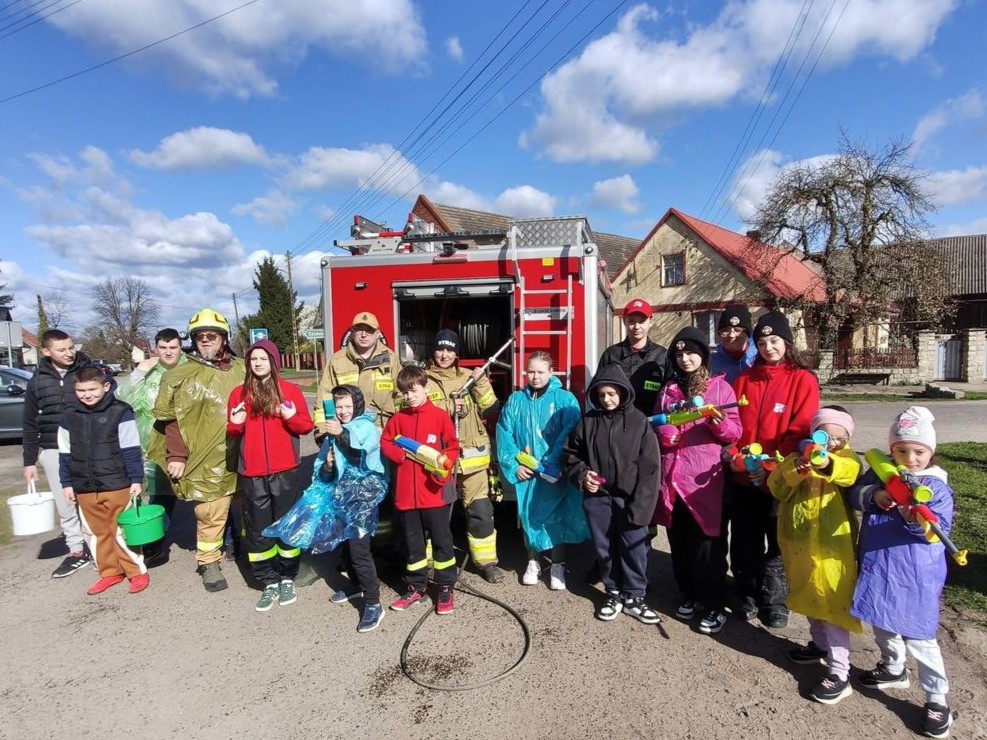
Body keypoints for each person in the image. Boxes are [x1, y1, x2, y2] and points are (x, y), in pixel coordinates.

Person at [848, 406, 955, 738]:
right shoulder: (882, 473)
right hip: (880, 566)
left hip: (915, 574)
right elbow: (855, 493)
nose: (910, 458)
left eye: (918, 451)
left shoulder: (935, 487)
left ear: (931, 453)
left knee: (919, 636)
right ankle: (893, 666)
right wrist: (875, 495)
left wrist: (914, 520)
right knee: (881, 621)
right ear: (892, 449)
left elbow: (938, 528)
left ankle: (937, 700)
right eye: (901, 450)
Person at [264, 385, 389, 632]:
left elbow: (362, 458)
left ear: (357, 406)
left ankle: (374, 603)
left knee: (359, 550)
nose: (343, 411)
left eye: (347, 406)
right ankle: (356, 585)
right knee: (343, 546)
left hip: (363, 499)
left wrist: (341, 435)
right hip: (340, 497)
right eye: (339, 406)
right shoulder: (333, 431)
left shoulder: (365, 427)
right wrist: (329, 466)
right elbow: (322, 472)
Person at [767, 406, 862, 705]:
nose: (830, 442)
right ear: (812, 434)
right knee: (808, 595)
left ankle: (839, 672)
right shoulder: (798, 459)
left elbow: (847, 474)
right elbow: (776, 487)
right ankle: (819, 646)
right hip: (800, 545)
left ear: (847, 439)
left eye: (839, 437)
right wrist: (799, 469)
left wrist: (825, 461)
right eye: (824, 435)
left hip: (833, 549)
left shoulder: (847, 459)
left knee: (832, 604)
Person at [731, 310, 819, 629]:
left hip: (780, 480)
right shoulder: (744, 380)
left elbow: (799, 430)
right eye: (762, 342)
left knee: (777, 542)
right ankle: (747, 593)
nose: (768, 348)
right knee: (744, 540)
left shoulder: (803, 380)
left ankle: (775, 599)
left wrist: (769, 468)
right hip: (743, 478)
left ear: (787, 342)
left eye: (774, 341)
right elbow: (733, 428)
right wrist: (738, 458)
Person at [653, 327, 742, 635]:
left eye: (690, 352)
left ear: (703, 354)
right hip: (674, 479)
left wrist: (718, 425)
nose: (684, 358)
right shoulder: (668, 390)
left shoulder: (720, 388)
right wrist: (668, 432)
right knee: (679, 543)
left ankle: (714, 604)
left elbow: (734, 432)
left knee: (708, 546)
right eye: (678, 354)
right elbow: (658, 427)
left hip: (704, 482)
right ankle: (688, 593)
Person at [150, 309, 245, 593]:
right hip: (205, 458)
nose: (205, 340)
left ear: (223, 338)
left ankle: (243, 547)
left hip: (243, 452)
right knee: (210, 513)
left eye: (211, 335)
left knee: (250, 507)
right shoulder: (179, 375)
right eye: (200, 336)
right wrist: (176, 456)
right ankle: (208, 561)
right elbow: (171, 419)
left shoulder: (243, 368)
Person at [564, 364, 660, 623]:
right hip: (598, 498)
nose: (607, 399)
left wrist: (642, 506)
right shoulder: (588, 422)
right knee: (604, 548)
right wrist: (583, 476)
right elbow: (571, 455)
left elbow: (651, 467)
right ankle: (614, 591)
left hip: (630, 499)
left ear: (623, 392)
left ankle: (635, 596)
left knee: (634, 548)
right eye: (602, 394)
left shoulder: (639, 421)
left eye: (612, 394)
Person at [227, 340, 313, 612]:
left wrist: (290, 417)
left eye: (263, 358)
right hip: (252, 473)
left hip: (285, 471)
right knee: (258, 530)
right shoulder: (238, 394)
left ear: (274, 361)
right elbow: (232, 432)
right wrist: (235, 425)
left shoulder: (290, 391)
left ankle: (287, 576)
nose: (258, 363)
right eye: (254, 359)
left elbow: (305, 426)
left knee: (287, 526)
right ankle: (267, 581)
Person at [496, 351, 588, 590]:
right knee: (528, 516)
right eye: (531, 372)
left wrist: (551, 464)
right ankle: (533, 562)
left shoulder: (565, 400)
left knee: (557, 518)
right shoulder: (516, 401)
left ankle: (558, 565)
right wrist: (515, 465)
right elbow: (504, 434)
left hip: (554, 473)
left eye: (540, 372)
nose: (535, 377)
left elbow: (569, 434)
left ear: (551, 372)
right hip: (527, 473)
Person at [58, 366, 148, 595]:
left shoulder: (121, 411)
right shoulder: (69, 416)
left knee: (121, 532)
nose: (87, 395)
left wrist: (136, 479)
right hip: (84, 486)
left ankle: (137, 572)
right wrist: (67, 483)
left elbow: (130, 449)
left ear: (106, 386)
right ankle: (109, 573)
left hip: (118, 483)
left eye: (92, 389)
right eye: (81, 390)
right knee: (95, 532)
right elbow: (65, 453)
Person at [425, 329, 504, 583]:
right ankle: (428, 564)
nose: (445, 355)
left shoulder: (469, 378)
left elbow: (491, 408)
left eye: (450, 350)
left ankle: (486, 563)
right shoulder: (421, 380)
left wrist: (480, 382)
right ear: (433, 351)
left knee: (481, 513)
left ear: (457, 353)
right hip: (436, 461)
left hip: (472, 461)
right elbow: (409, 409)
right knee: (433, 516)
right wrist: (449, 407)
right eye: (440, 349)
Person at [381, 365, 461, 615]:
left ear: (426, 388)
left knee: (442, 542)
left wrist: (443, 469)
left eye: (413, 391)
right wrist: (399, 456)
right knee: (413, 545)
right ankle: (416, 587)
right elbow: (385, 441)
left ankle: (446, 586)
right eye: (405, 393)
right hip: (407, 498)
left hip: (433, 495)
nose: (409, 396)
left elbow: (452, 447)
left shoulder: (439, 417)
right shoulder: (398, 419)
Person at [22, 329, 93, 578]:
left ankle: (103, 546)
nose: (69, 353)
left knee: (95, 498)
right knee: (66, 503)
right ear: (46, 352)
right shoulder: (38, 380)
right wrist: (29, 460)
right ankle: (77, 551)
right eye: (62, 350)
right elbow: (30, 422)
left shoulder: (87, 370)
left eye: (71, 347)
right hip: (53, 448)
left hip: (89, 445)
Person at [116, 328, 187, 566]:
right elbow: (123, 400)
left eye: (173, 347)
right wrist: (138, 372)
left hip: (192, 440)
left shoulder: (191, 369)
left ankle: (226, 540)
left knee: (209, 493)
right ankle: (155, 545)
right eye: (163, 348)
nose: (168, 352)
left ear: (180, 348)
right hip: (155, 444)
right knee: (161, 495)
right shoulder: (149, 373)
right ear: (156, 348)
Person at [597, 298, 667, 416]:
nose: (636, 326)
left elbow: (669, 394)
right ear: (624, 321)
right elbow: (599, 391)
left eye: (642, 321)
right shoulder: (611, 354)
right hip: (617, 423)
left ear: (651, 322)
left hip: (652, 425)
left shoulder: (662, 355)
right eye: (631, 321)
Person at [710, 304, 758, 385]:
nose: (731, 335)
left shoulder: (759, 358)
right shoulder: (711, 363)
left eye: (737, 330)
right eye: (726, 330)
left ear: (748, 334)